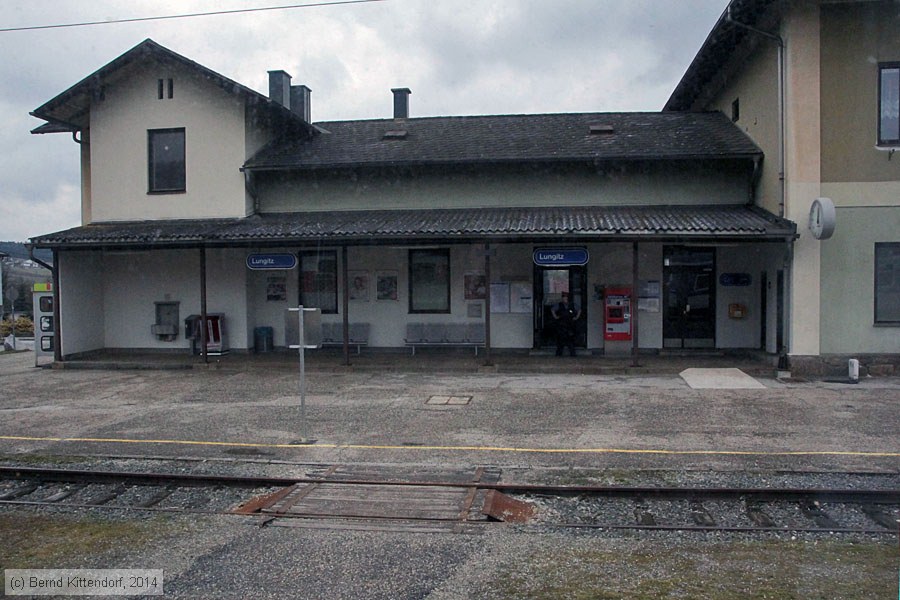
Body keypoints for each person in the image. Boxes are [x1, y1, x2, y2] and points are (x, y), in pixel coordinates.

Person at [551, 291, 581, 356]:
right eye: (564, 298)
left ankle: (572, 354)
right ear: (562, 298)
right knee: (560, 341)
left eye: (566, 298)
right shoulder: (559, 305)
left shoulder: (572, 304)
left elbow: (579, 310)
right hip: (561, 325)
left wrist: (576, 317)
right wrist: (555, 317)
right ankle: (559, 354)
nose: (565, 299)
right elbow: (553, 310)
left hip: (570, 325)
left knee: (570, 341)